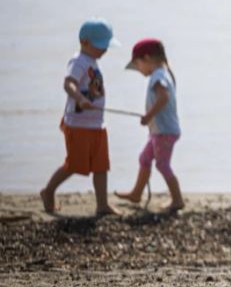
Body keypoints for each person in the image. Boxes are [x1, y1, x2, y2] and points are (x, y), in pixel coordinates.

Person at [41, 18, 120, 216]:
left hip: (97, 124)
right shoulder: (78, 61)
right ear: (84, 42)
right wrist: (79, 98)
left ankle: (102, 204)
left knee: (101, 165)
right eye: (100, 46)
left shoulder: (93, 61)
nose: (104, 50)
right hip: (78, 124)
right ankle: (48, 191)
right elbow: (69, 84)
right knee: (74, 165)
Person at [115, 39, 184, 212]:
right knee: (144, 159)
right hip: (160, 131)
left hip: (164, 131)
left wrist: (148, 116)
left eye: (138, 65)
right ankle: (136, 194)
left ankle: (177, 200)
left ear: (146, 58)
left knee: (162, 165)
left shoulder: (158, 76)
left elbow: (163, 97)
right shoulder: (164, 72)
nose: (138, 70)